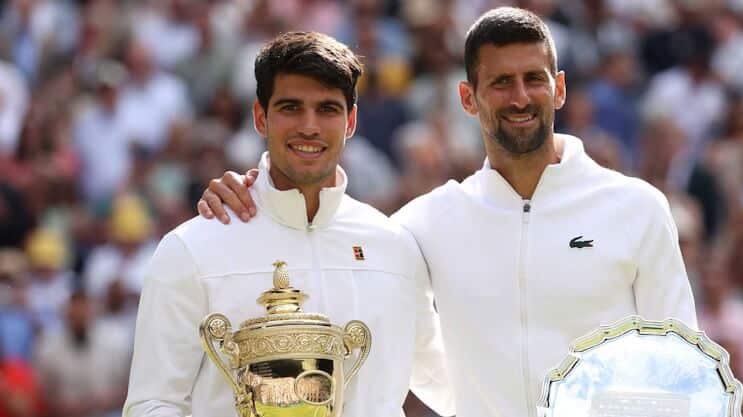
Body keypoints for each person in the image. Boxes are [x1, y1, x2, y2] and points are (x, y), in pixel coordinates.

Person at [199, 8, 698, 417]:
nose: (520, 97)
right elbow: (320, 239)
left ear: (559, 88)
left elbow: (683, 367)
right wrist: (253, 195)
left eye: (533, 79)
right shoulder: (424, 224)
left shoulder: (637, 208)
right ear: (468, 97)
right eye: (501, 82)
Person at [123, 31, 454, 417]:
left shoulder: (395, 247)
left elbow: (452, 386)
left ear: (351, 121)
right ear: (260, 116)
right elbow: (152, 403)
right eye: (291, 107)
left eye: (327, 109)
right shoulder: (192, 248)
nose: (309, 127)